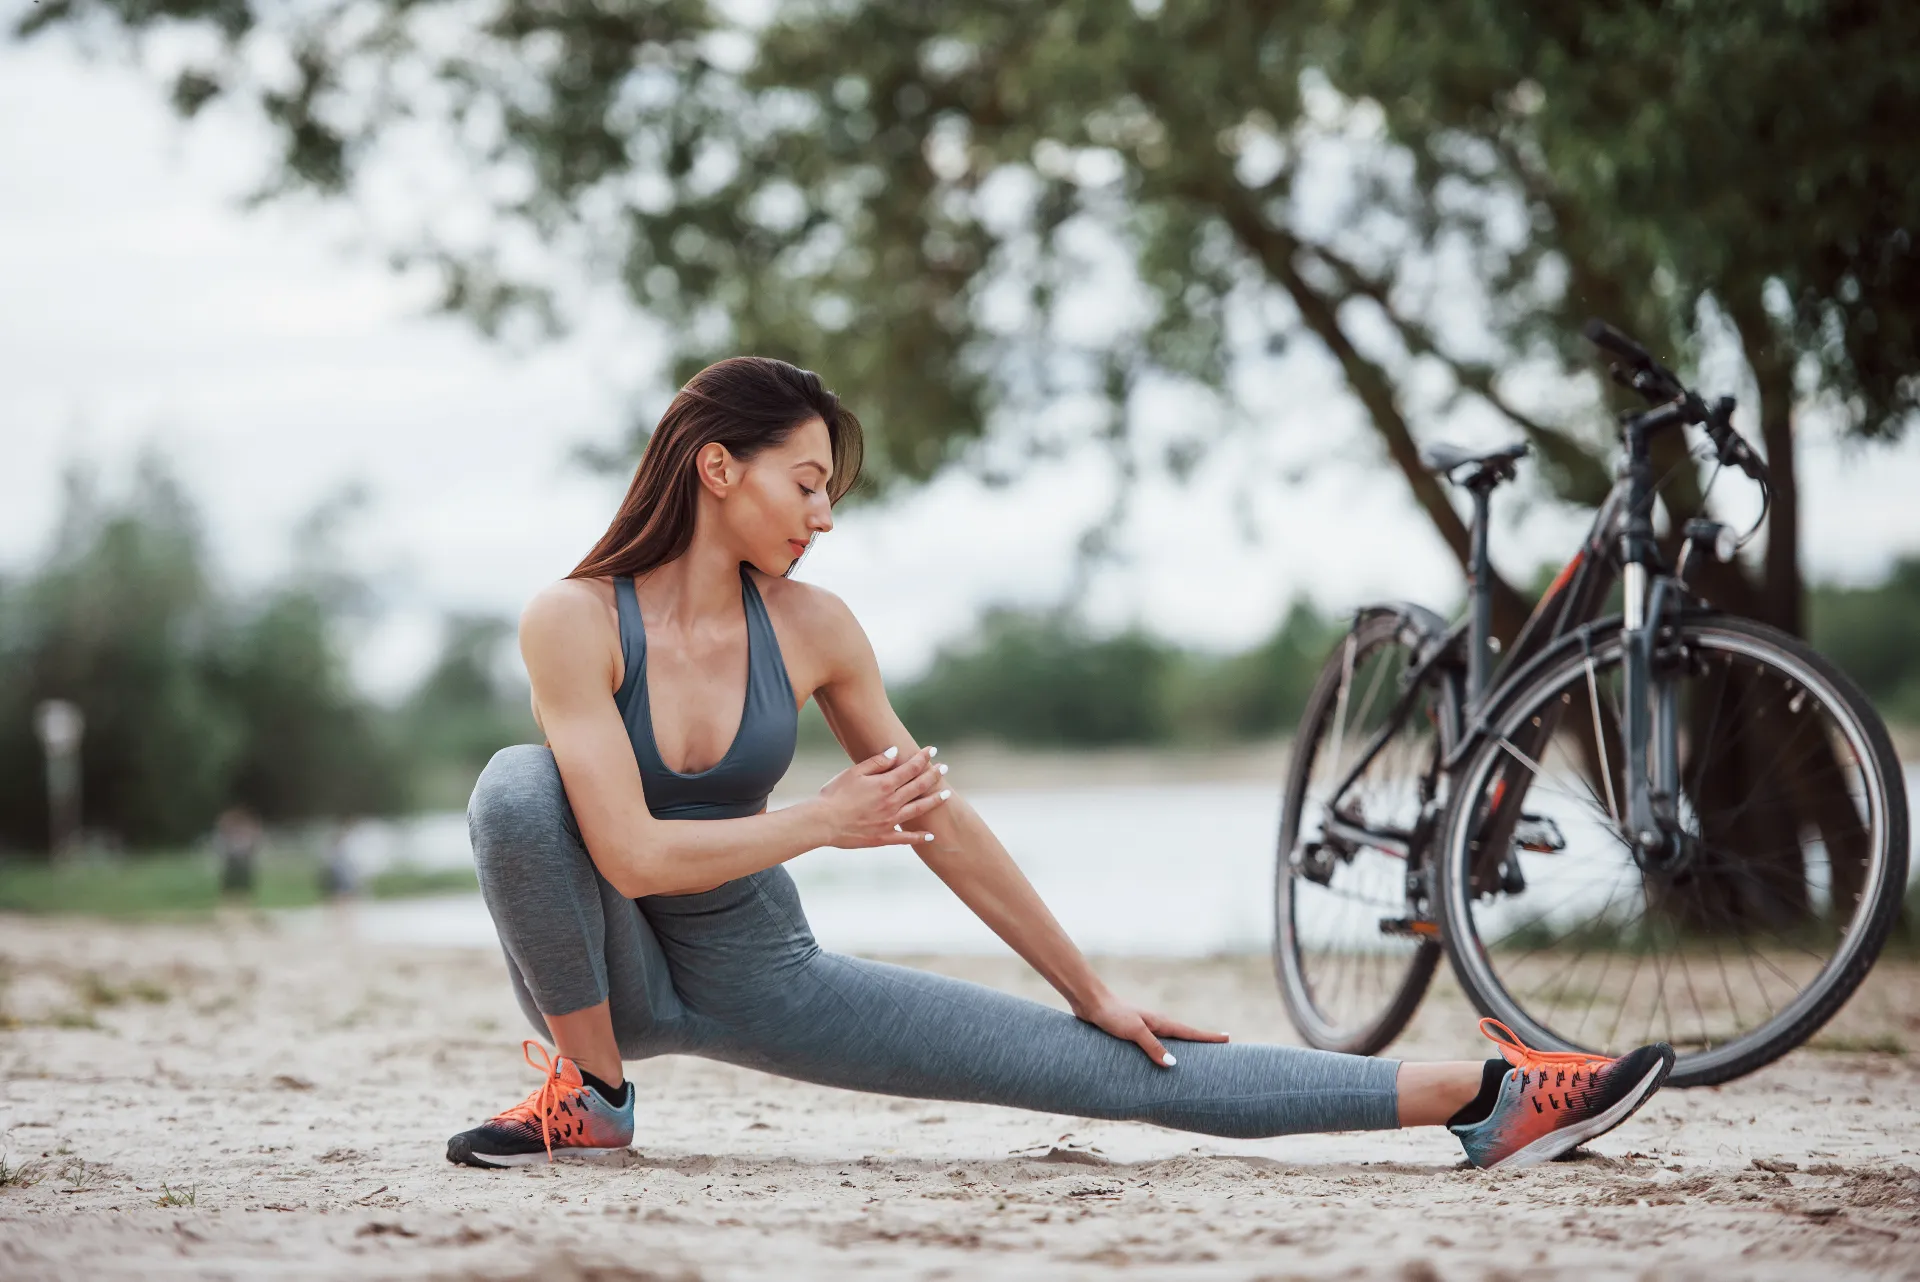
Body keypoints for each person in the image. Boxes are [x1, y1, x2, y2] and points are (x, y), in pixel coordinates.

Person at [449, 357, 1673, 1173]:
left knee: (1117, 1069)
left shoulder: (815, 629)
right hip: (604, 980)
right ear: (719, 467)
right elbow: (627, 854)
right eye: (807, 483)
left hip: (767, 976)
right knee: (517, 786)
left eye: (831, 493)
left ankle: (1486, 1097)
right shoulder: (574, 619)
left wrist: (1089, 987)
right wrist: (820, 820)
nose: (824, 515)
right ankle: (591, 1097)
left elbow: (939, 819)